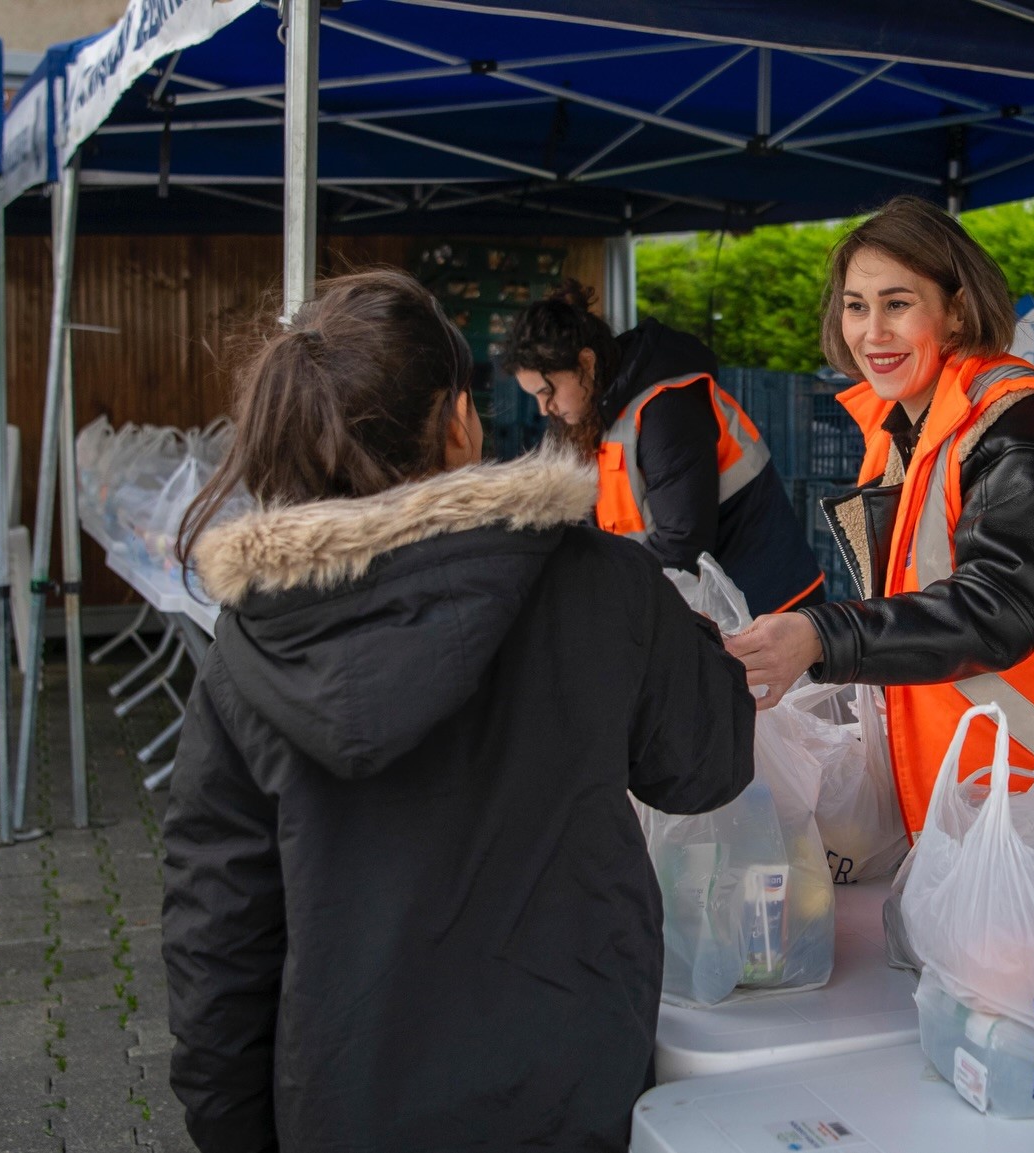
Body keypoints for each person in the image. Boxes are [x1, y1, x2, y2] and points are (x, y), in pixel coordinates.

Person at [161, 269, 756, 1153]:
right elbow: (709, 762)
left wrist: (231, 1129)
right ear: (457, 422)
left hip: (348, 1095)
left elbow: (218, 936)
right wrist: (699, 646)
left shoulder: (253, 642)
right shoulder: (598, 579)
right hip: (576, 1080)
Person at [724, 196, 1034, 836]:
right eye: (856, 306)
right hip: (1026, 795)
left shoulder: (1014, 429)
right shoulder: (904, 425)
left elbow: (997, 610)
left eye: (897, 304)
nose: (872, 331)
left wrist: (823, 637)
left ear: (956, 311)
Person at [502, 281, 825, 616]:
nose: (544, 409)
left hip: (769, 607)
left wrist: (601, 591)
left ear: (586, 363)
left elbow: (681, 542)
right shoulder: (602, 411)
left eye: (547, 391)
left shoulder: (666, 408)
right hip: (719, 607)